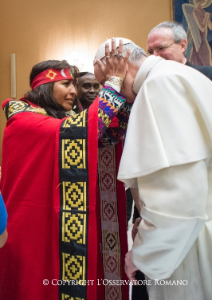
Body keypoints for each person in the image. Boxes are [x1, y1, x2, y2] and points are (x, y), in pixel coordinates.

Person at [0, 48, 133, 300]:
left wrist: (124, 98)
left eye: (73, 84)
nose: (74, 91)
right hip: (30, 229)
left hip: (54, 220)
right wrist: (113, 83)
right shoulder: (24, 120)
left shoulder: (58, 119)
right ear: (45, 88)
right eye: (65, 84)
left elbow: (102, 137)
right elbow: (78, 131)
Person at [94, 37, 212, 300]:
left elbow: (177, 191)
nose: (113, 92)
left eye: (108, 81)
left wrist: (145, 254)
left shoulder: (160, 85)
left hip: (186, 242)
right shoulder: (177, 75)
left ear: (121, 64)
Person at [147, 21, 212, 80]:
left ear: (182, 45)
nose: (154, 56)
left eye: (161, 48)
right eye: (150, 52)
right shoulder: (150, 81)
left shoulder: (207, 75)